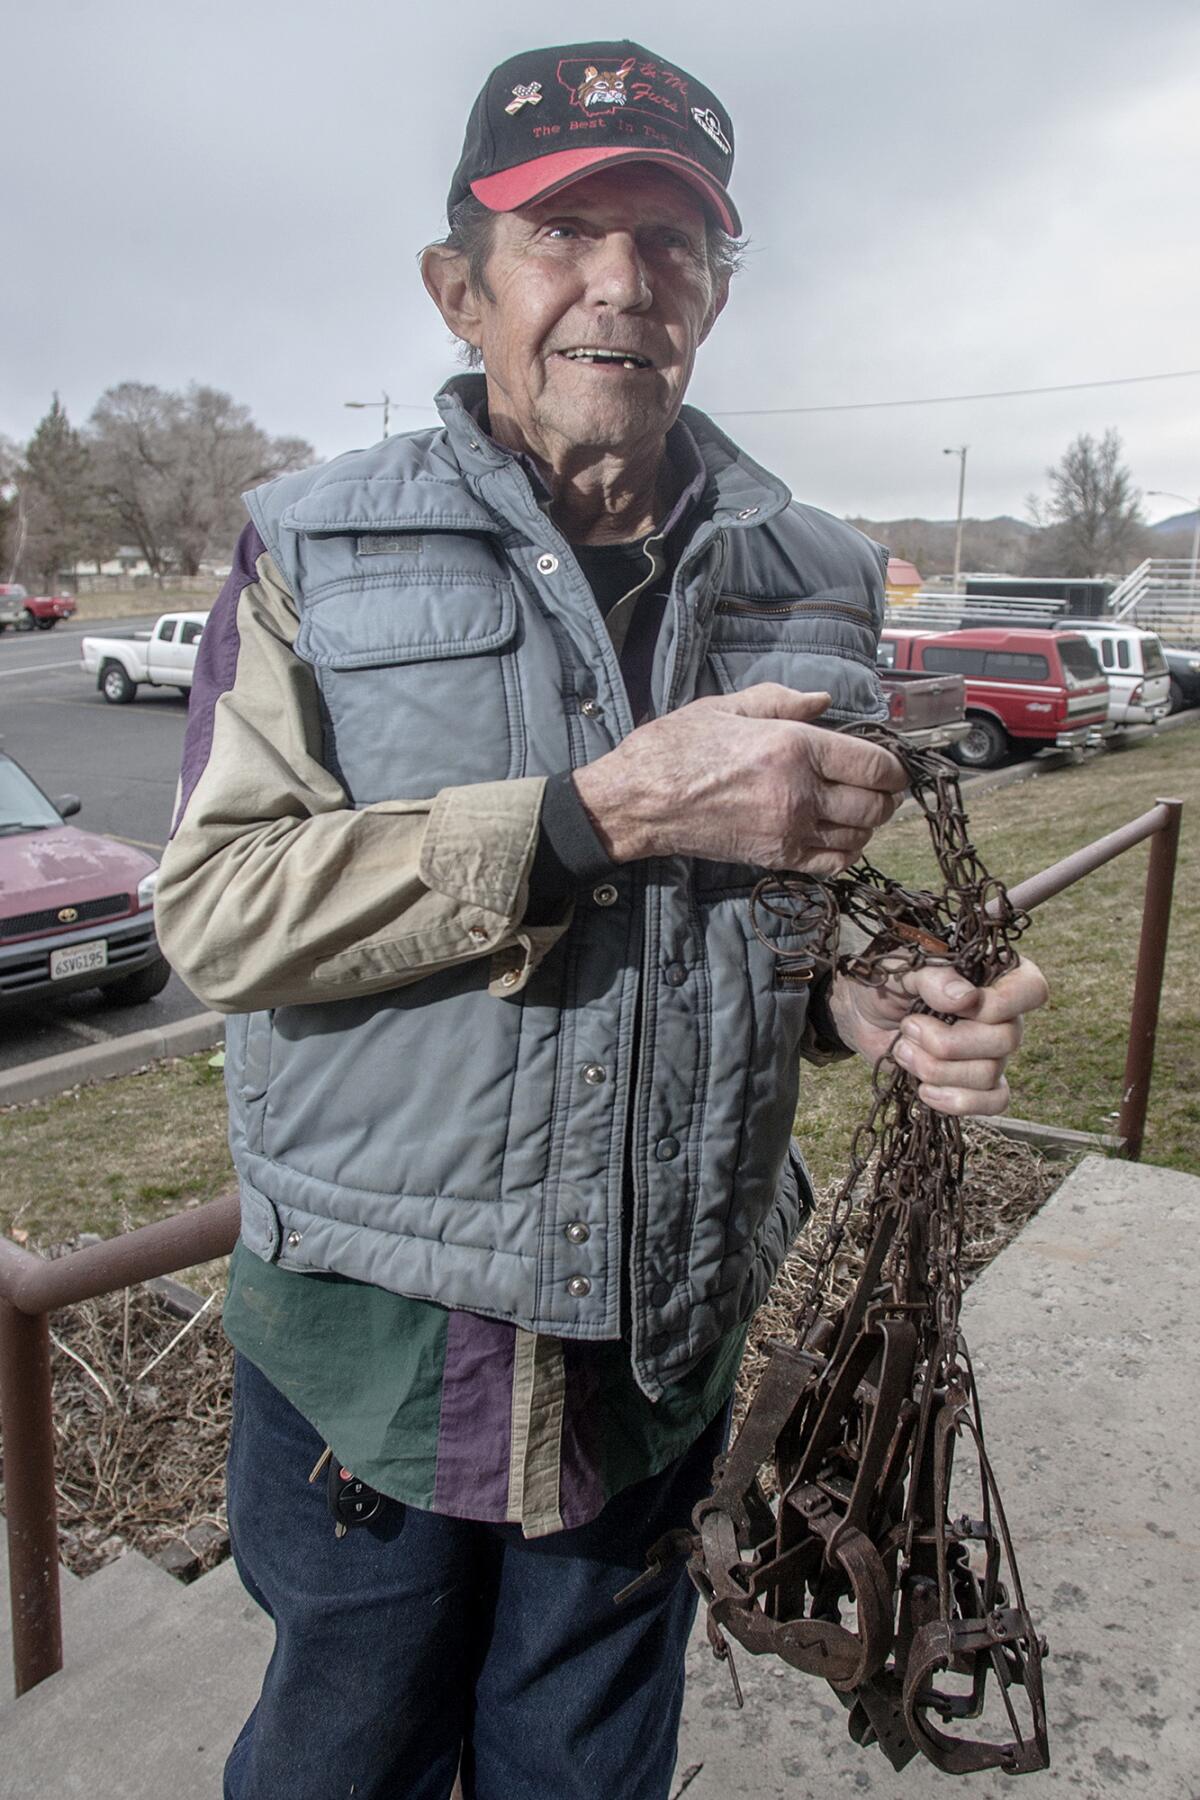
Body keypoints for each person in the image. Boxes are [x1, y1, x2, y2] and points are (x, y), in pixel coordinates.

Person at [156, 38, 1047, 1800]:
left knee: (587, 1756)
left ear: (715, 290)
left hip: (662, 1327)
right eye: (563, 231)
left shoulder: (817, 570)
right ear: (459, 287)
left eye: (674, 239)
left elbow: (783, 933)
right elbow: (217, 910)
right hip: (382, 1346)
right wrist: (600, 812)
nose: (620, 285)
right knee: (349, 1753)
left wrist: (875, 1002)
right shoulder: (310, 547)